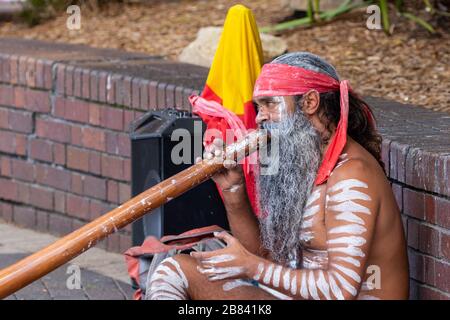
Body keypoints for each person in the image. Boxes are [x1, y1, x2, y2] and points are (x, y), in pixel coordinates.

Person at [145, 52, 409, 300]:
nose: (260, 118)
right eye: (259, 107)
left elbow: (340, 289)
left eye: (270, 104)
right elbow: (268, 257)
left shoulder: (353, 175)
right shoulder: (306, 162)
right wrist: (233, 190)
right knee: (175, 270)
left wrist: (251, 268)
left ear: (309, 102)